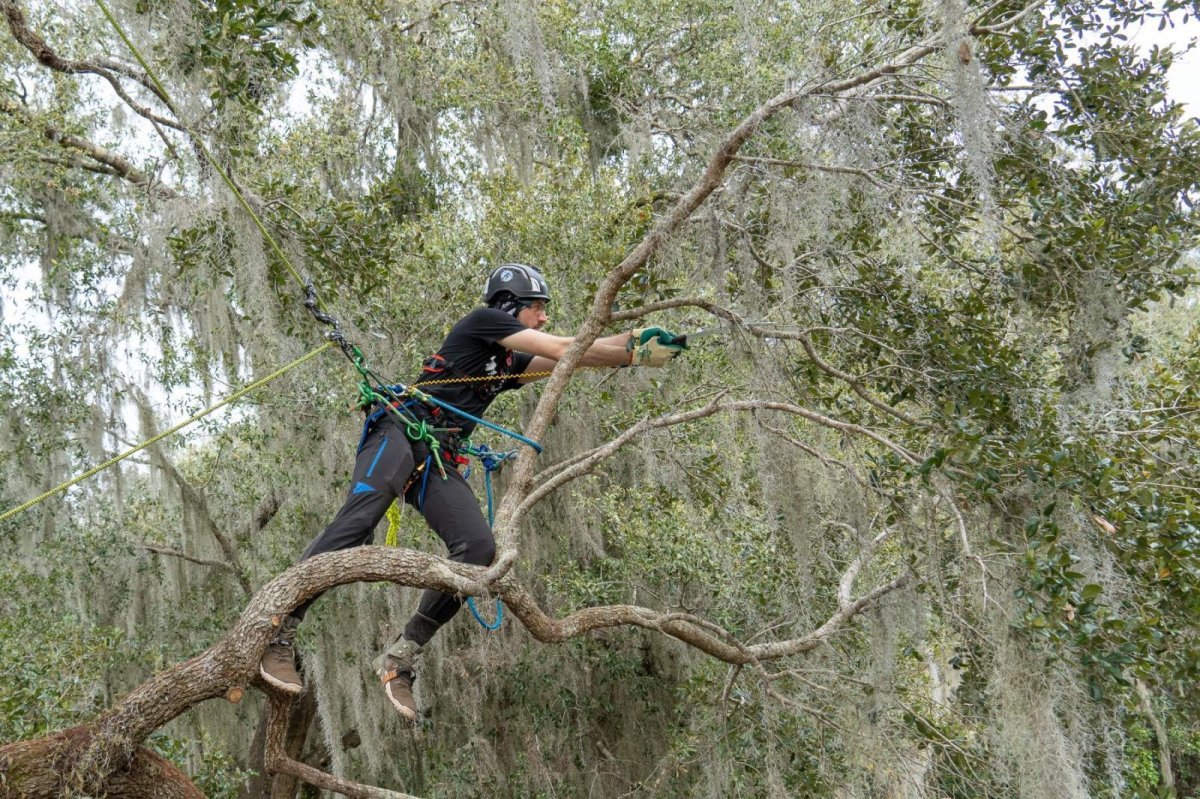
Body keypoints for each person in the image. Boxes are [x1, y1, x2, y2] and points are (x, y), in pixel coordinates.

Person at [260, 263, 687, 720]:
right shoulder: (481, 323)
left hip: (436, 456)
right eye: (537, 309)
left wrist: (631, 350)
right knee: (360, 519)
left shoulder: (508, 363)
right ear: (510, 307)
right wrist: (630, 345)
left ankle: (401, 658)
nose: (543, 318)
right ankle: (277, 627)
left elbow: (574, 357)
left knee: (479, 549)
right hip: (400, 430)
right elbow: (567, 346)